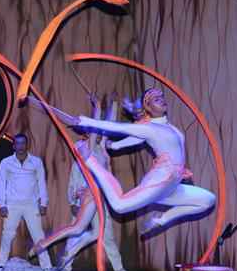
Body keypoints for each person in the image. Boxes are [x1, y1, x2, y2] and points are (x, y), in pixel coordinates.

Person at [50, 88, 216, 236]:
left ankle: (160, 220)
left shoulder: (171, 128)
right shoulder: (149, 128)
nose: (162, 100)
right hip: (159, 181)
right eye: (156, 99)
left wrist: (115, 145)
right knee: (119, 206)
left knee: (208, 200)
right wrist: (83, 121)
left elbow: (137, 139)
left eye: (162, 97)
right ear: (148, 108)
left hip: (171, 186)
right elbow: (118, 128)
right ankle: (89, 160)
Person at [29, 94, 126, 271]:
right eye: (93, 132)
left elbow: (107, 126)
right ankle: (51, 251)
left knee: (99, 233)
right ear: (87, 134)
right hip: (90, 194)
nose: (98, 134)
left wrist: (114, 104)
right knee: (77, 229)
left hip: (102, 196)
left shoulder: (101, 149)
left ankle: (114, 266)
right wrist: (97, 107)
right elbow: (95, 130)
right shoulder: (85, 148)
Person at [0, 134, 53, 271]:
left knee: (38, 235)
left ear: (27, 145)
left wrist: (43, 202)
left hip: (31, 204)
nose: (20, 146)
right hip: (12, 204)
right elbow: (1, 184)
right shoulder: (6, 162)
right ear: (13, 146)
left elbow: (41, 183)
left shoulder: (36, 162)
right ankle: (0, 266)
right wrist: (2, 204)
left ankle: (47, 267)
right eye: (18, 144)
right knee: (7, 235)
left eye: (23, 143)